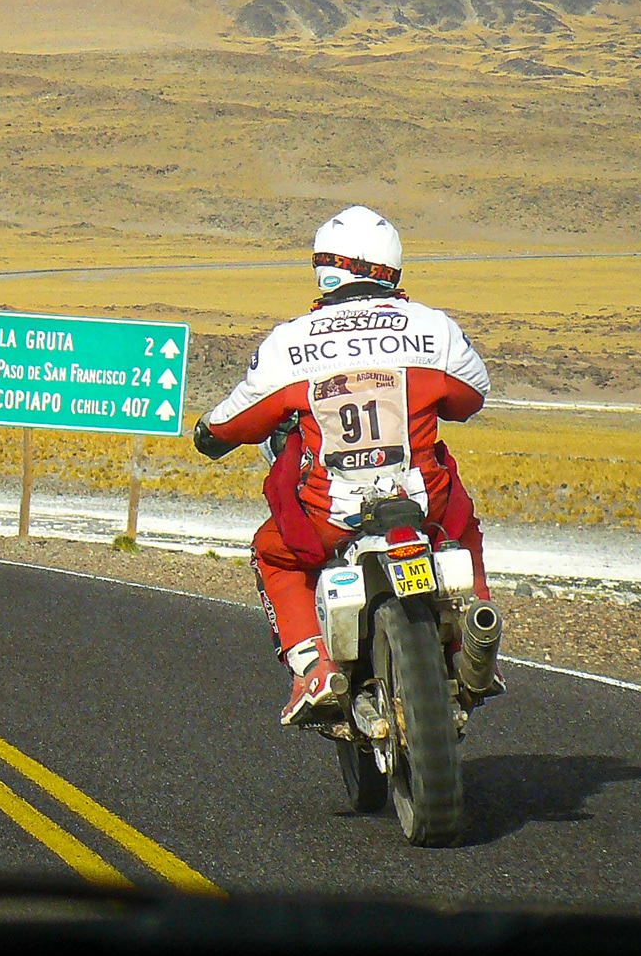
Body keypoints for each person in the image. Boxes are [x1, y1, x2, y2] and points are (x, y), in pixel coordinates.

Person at [194, 205, 493, 726]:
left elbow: (235, 420)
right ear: (391, 267)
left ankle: (313, 666)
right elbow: (471, 397)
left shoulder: (291, 342)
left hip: (331, 515)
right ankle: (477, 629)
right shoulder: (434, 328)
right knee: (462, 523)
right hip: (421, 504)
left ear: (325, 268)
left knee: (276, 554)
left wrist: (208, 434)